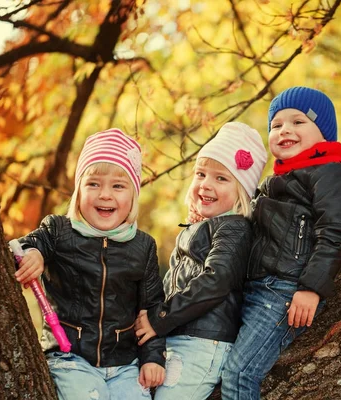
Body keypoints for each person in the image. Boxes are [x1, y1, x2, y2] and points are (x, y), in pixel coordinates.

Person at [221, 87, 341, 399]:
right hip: (254, 289)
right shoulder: (272, 183)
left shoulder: (330, 173)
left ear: (323, 133)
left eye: (298, 122)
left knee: (239, 373)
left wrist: (311, 288)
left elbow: (335, 233)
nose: (285, 130)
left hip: (285, 291)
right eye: (276, 125)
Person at [13, 129, 166, 400]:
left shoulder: (143, 246)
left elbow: (151, 308)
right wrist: (33, 253)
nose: (105, 194)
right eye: (93, 184)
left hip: (124, 364)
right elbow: (25, 245)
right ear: (78, 191)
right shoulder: (59, 231)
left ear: (133, 195)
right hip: (69, 357)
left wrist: (153, 358)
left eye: (118, 186)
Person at [134, 122, 268, 400]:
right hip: (181, 338)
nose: (206, 184)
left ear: (242, 191)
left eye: (221, 178)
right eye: (201, 174)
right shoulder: (200, 228)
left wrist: (161, 317)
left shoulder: (234, 228)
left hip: (203, 342)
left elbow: (216, 281)